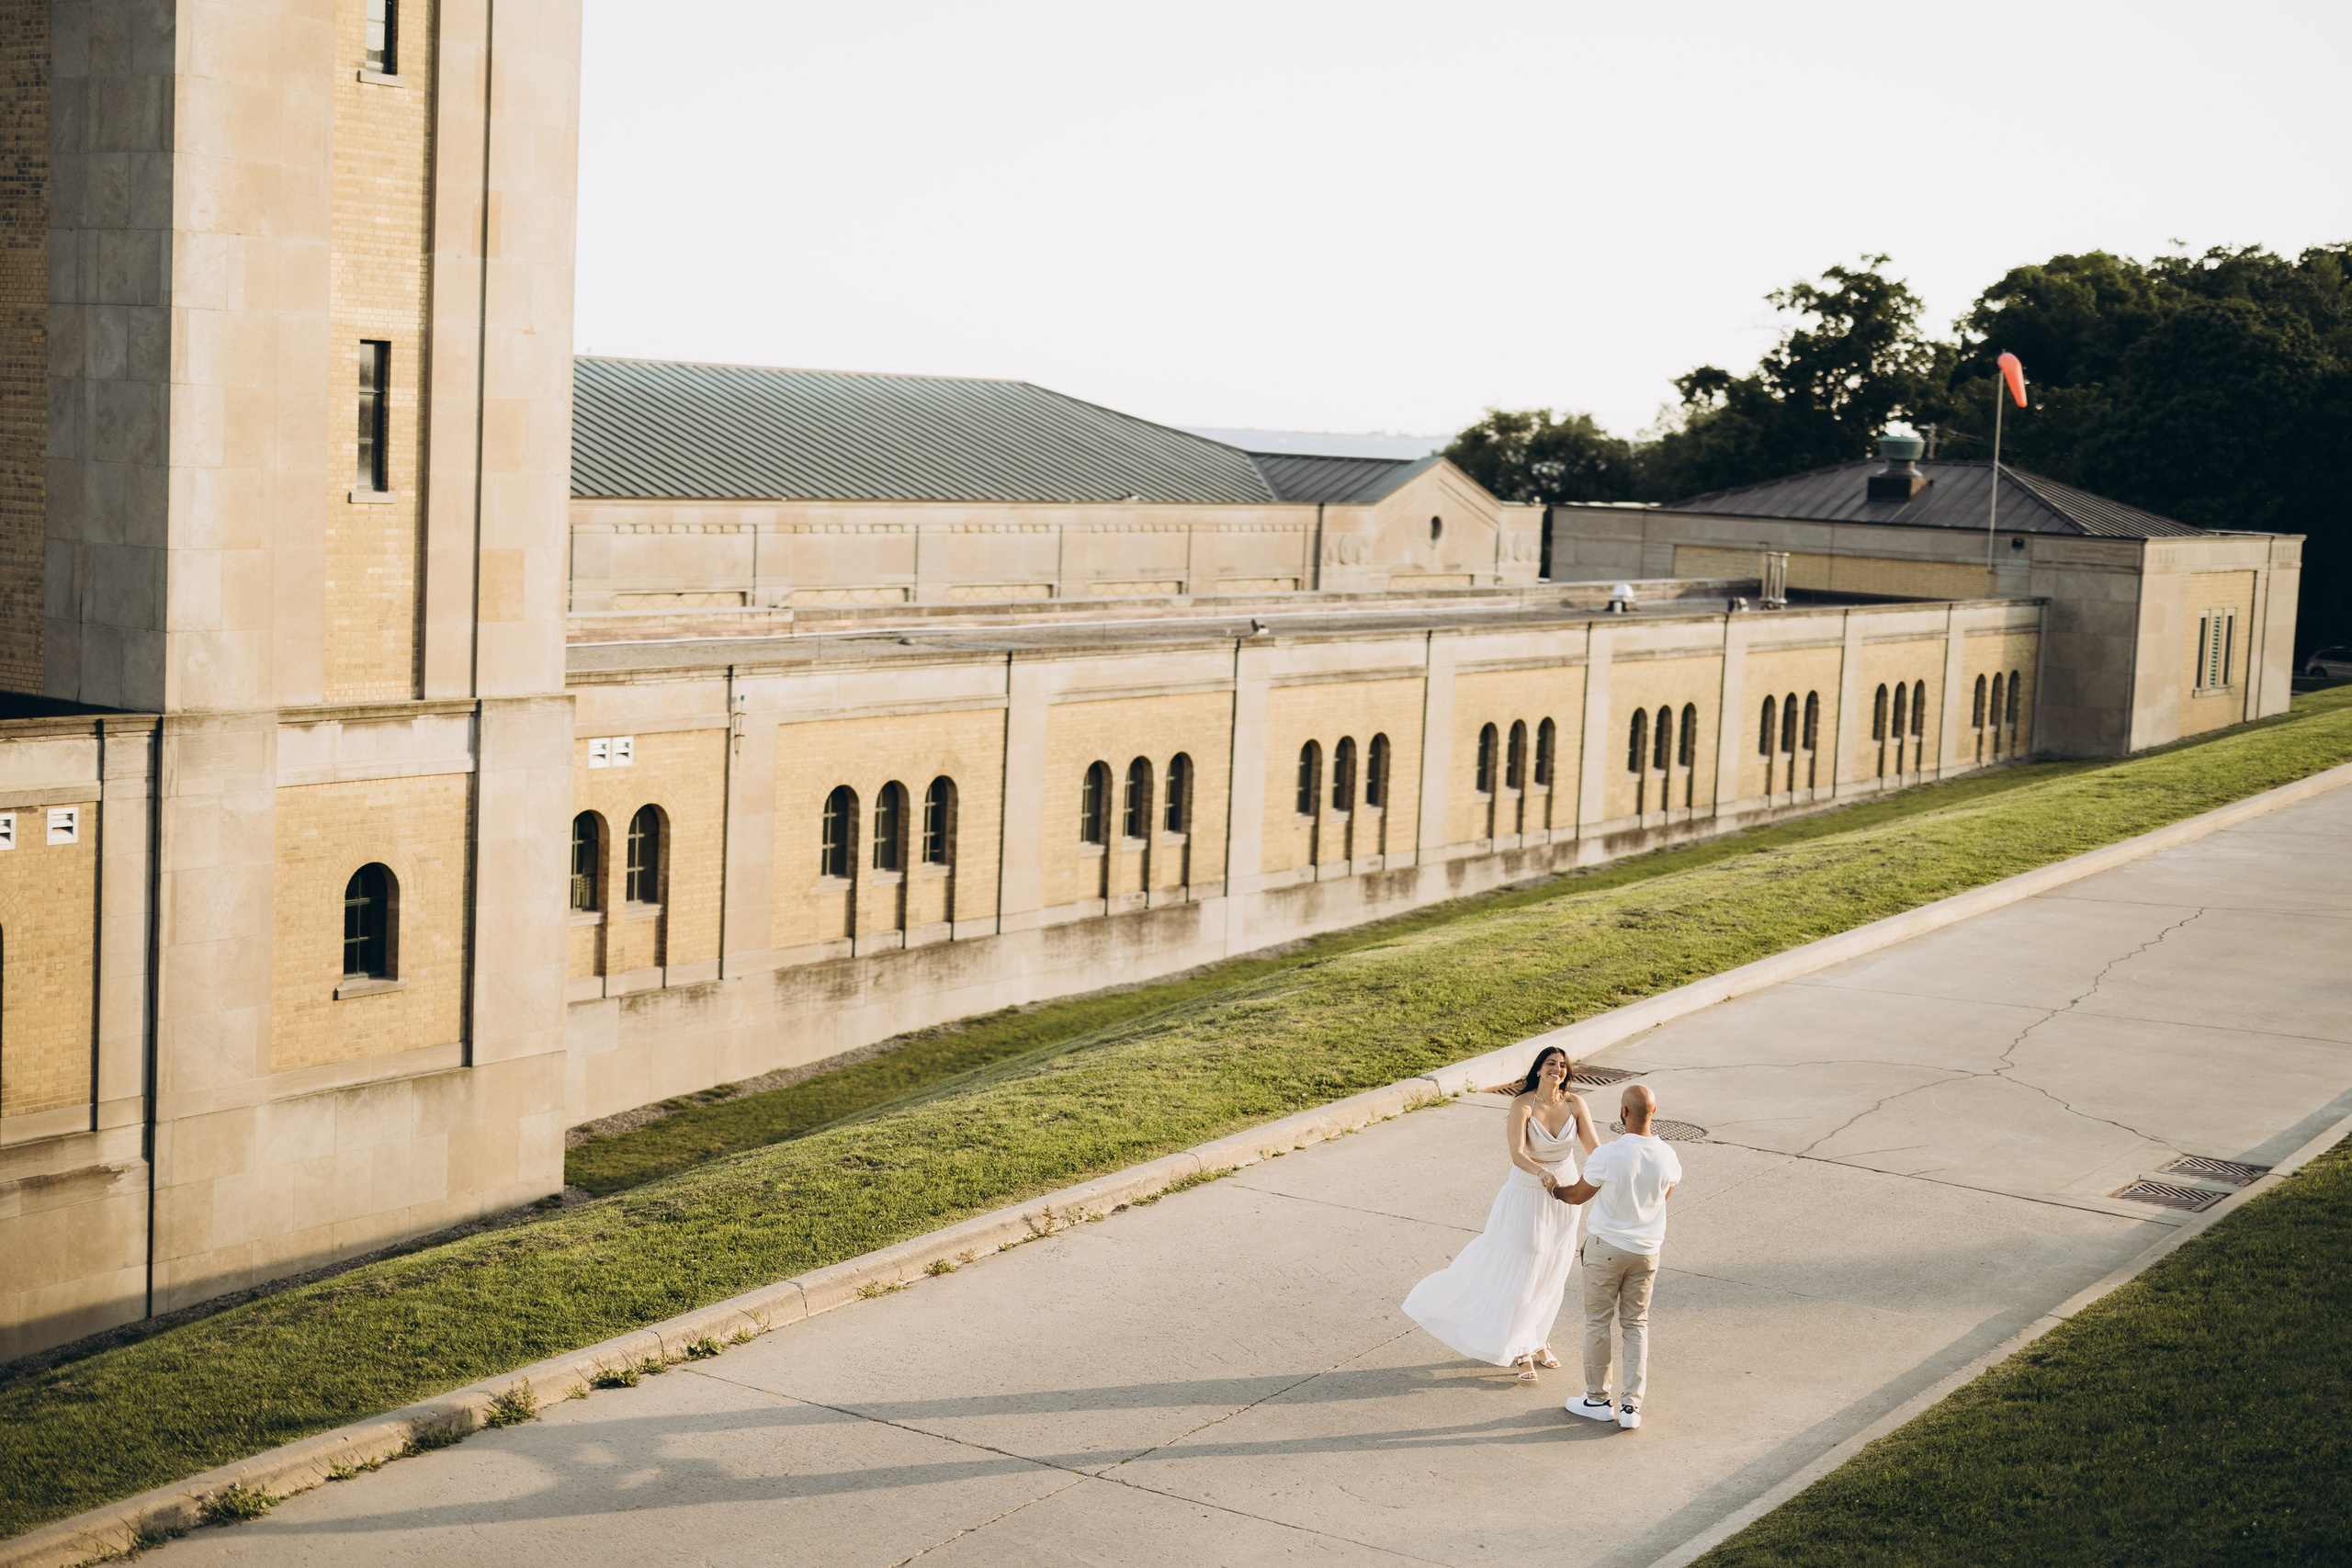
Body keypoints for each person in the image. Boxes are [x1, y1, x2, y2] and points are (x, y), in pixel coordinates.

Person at [1401, 1045, 1599, 1382]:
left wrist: (1619, 1164)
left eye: (1563, 1065)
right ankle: (1520, 1347)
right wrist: (1540, 1172)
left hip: (1565, 1196)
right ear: (1539, 1069)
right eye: (1551, 1064)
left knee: (1554, 1268)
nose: (1558, 1069)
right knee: (1525, 1268)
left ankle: (1538, 1338)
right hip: (1528, 1193)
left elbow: (1594, 1148)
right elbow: (1517, 1153)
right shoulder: (1523, 1104)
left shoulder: (1575, 1104)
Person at [1551, 1083, 1680, 1429]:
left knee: (1597, 1322)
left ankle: (1596, 1399)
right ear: (1653, 1113)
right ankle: (1631, 1409)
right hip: (1647, 1252)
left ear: (1624, 1112)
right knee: (1636, 1324)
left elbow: (1577, 1195)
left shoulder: (1609, 1154)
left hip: (1607, 1250)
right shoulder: (1667, 1155)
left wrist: (1553, 1187)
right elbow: (1666, 1191)